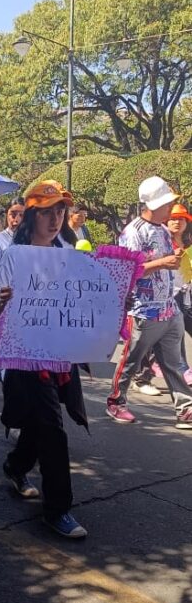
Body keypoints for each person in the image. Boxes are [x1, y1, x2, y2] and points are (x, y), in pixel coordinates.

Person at [0, 181, 87, 539]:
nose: (55, 218)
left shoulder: (69, 255)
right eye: (46, 211)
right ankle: (58, 509)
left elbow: (81, 305)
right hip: (25, 357)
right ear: (31, 215)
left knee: (37, 424)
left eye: (60, 211)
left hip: (60, 356)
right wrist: (0, 303)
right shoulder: (13, 257)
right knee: (52, 429)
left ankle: (15, 466)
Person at [106, 176, 192, 429]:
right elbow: (127, 269)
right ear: (152, 205)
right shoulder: (133, 232)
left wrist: (173, 256)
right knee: (131, 360)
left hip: (168, 307)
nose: (170, 209)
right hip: (143, 311)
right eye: (167, 204)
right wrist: (162, 263)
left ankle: (185, 408)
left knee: (174, 362)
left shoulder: (163, 230)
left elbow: (166, 261)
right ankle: (116, 401)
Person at [167, 203, 192, 384]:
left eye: (181, 219)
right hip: (168, 294)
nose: (177, 222)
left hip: (186, 292)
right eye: (173, 218)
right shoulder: (162, 240)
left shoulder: (189, 241)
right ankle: (183, 369)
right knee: (177, 332)